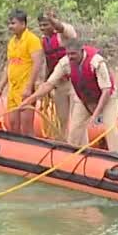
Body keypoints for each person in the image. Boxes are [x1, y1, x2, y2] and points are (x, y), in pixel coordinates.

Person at [21, 38, 118, 152]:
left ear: (81, 50)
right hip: (84, 99)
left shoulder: (96, 62)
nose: (70, 57)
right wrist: (29, 100)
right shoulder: (64, 63)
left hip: (107, 98)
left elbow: (106, 90)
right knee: (74, 130)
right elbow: (49, 84)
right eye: (68, 54)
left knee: (110, 127)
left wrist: (96, 114)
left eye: (73, 54)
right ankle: (76, 156)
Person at [0, 9, 43, 136]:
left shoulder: (32, 40)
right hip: (13, 89)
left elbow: (37, 63)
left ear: (23, 24)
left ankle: (32, 152)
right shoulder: (11, 42)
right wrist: (0, 87)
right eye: (9, 23)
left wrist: (28, 87)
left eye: (13, 23)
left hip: (25, 89)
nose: (10, 26)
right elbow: (9, 65)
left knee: (27, 127)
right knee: (13, 124)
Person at [35, 12, 78, 141]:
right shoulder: (44, 41)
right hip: (58, 84)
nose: (43, 28)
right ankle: (63, 144)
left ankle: (78, 144)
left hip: (73, 82)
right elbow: (48, 63)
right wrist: (46, 83)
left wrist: (53, 21)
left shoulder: (64, 35)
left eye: (46, 24)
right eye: (41, 25)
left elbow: (60, 27)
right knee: (62, 118)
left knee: (77, 117)